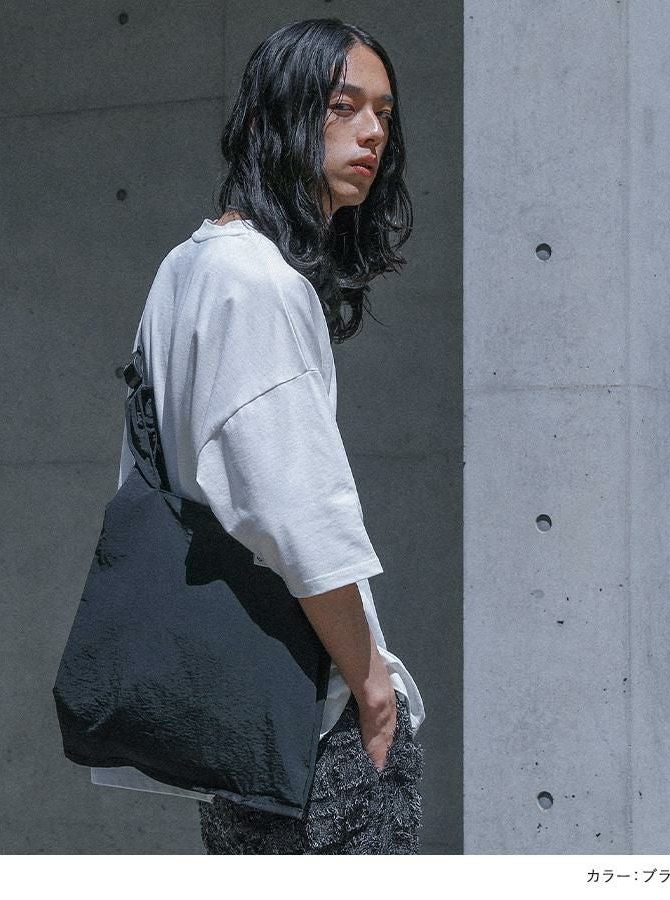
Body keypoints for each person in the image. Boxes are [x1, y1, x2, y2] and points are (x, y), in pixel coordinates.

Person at [91, 17, 426, 854]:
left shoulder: (191, 265)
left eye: (383, 113)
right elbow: (297, 513)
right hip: (312, 720)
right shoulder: (258, 284)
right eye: (342, 107)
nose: (372, 132)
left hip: (235, 715)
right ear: (275, 118)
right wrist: (371, 686)